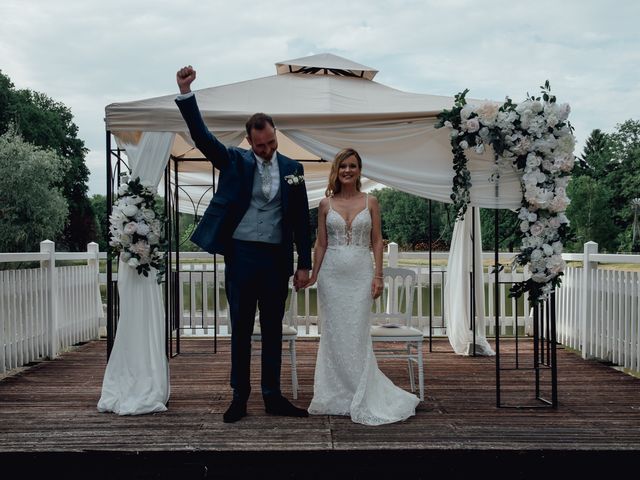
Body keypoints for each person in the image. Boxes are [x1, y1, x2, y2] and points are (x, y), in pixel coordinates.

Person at [175, 65, 312, 423]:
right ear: (249, 141)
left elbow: (300, 219)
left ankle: (272, 395)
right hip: (241, 256)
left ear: (275, 135)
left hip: (276, 258)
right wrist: (186, 93)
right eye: (260, 145)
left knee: (271, 330)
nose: (266, 150)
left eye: (271, 143)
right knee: (239, 328)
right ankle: (240, 396)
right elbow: (203, 138)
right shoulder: (234, 160)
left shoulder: (293, 168)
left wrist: (304, 263)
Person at [306, 148, 420, 425]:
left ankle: (360, 390)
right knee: (333, 334)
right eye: (343, 166)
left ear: (359, 170)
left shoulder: (371, 201)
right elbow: (321, 243)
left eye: (353, 166)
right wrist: (313, 275)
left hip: (360, 275)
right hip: (331, 276)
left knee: (356, 332)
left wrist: (378, 276)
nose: (347, 170)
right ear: (336, 169)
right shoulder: (325, 204)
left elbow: (377, 241)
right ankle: (335, 393)